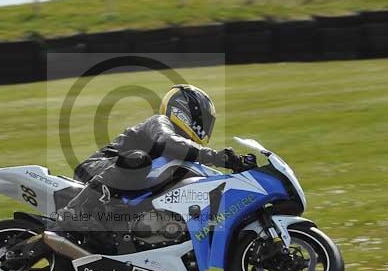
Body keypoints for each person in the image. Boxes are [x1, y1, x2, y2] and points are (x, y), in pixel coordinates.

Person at [56, 84, 254, 231]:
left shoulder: (184, 153)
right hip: (96, 168)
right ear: (185, 111)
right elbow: (168, 142)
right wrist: (217, 157)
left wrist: (239, 170)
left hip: (123, 192)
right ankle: (75, 210)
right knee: (139, 160)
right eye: (203, 119)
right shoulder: (160, 122)